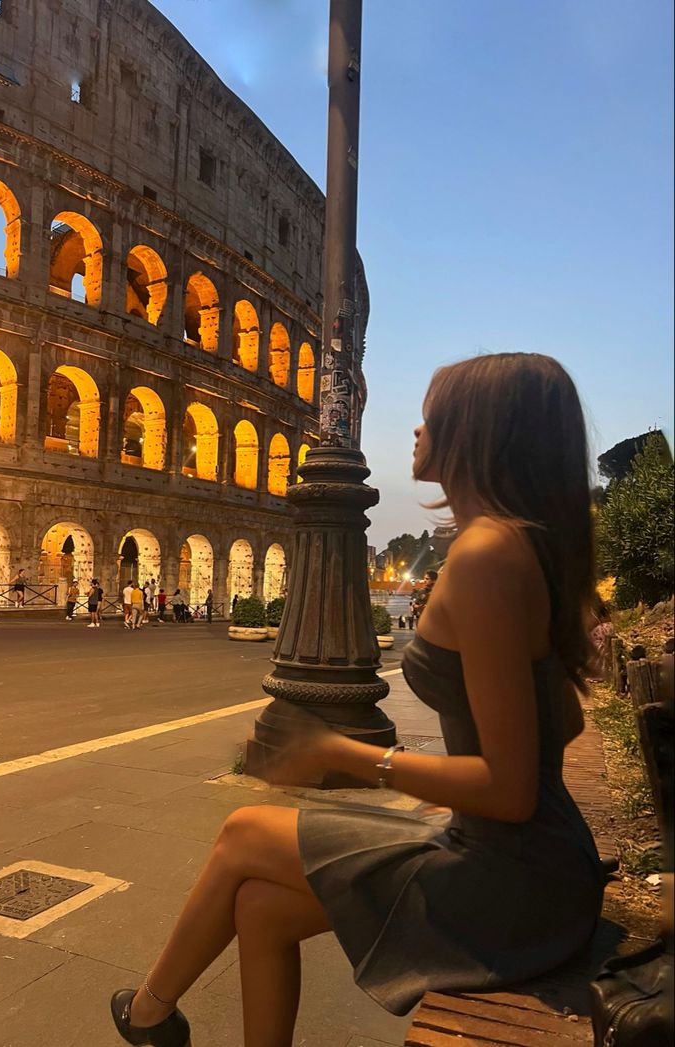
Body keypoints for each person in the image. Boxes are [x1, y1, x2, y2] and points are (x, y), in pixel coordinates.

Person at [110, 353, 604, 1047]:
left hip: (517, 880)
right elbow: (564, 721)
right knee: (259, 904)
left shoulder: (487, 554)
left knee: (243, 833)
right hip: (530, 861)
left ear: (480, 432)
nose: (418, 428)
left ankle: (150, 1012)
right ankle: (158, 1014)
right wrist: (458, 792)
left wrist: (350, 755)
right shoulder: (523, 546)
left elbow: (512, 788)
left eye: (435, 415)